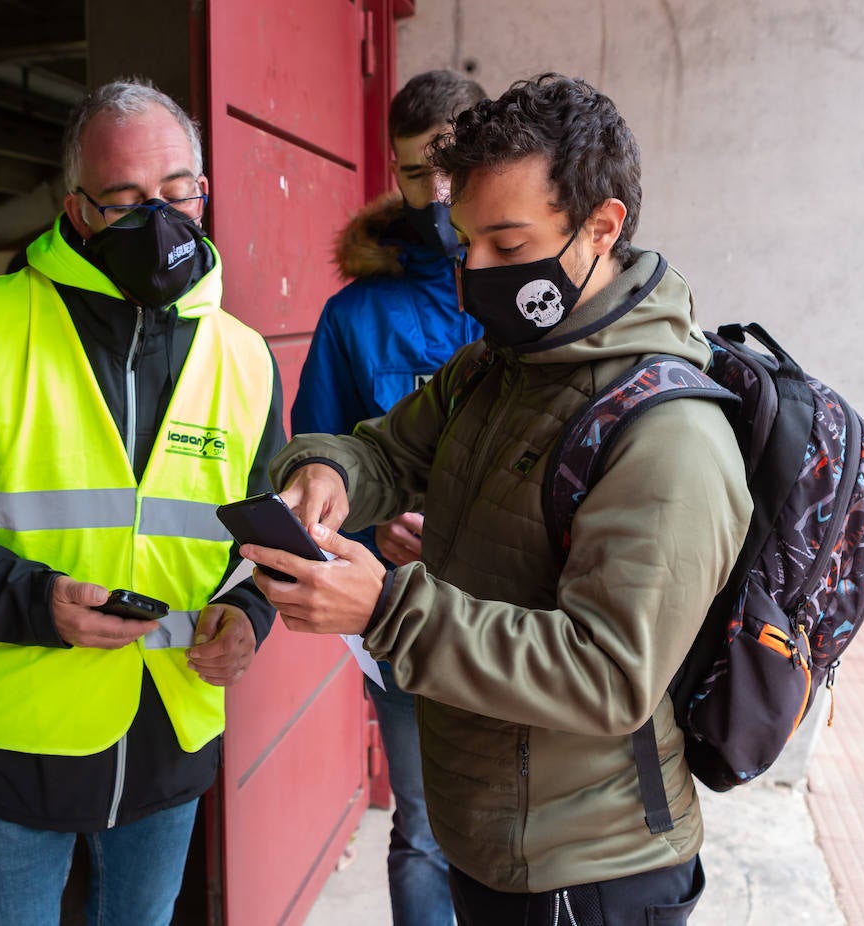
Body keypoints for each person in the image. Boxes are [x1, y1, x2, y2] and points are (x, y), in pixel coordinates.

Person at [246, 74, 752, 924]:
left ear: (602, 227)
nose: (472, 271)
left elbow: (607, 675)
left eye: (507, 245)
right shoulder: (497, 365)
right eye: (466, 240)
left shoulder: (668, 434)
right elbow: (385, 450)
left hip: (589, 868)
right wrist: (326, 470)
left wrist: (386, 610)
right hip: (490, 837)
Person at [0, 79, 285, 926]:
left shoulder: (247, 357)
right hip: (7, 750)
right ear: (76, 209)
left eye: (178, 190)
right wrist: (32, 600)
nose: (161, 217)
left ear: (203, 189)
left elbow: (261, 536)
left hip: (167, 741)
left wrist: (251, 616)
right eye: (126, 199)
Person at [290, 69, 484, 926]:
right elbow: (319, 459)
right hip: (400, 618)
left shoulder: (534, 299)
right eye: (414, 172)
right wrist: (375, 523)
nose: (435, 192)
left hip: (527, 617)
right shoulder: (354, 316)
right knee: (426, 833)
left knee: (535, 838)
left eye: (450, 165)